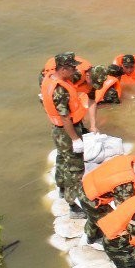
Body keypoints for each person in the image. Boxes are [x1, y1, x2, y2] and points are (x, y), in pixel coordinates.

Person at [40, 53, 93, 210]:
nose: (75, 71)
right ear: (63, 69)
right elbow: (65, 118)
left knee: (62, 158)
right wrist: (75, 139)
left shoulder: (50, 79)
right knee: (75, 168)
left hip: (58, 131)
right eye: (72, 68)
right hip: (66, 131)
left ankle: (62, 187)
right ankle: (74, 204)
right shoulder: (60, 90)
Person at [81, 155, 135, 243]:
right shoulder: (126, 185)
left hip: (86, 183)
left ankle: (91, 230)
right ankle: (92, 238)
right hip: (89, 198)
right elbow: (124, 211)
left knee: (95, 216)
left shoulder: (129, 162)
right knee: (110, 222)